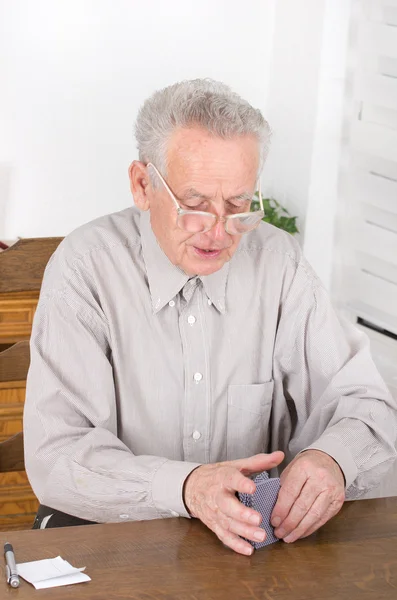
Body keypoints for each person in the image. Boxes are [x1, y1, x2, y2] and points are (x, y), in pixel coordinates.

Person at [24, 79, 397, 555]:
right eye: (196, 206)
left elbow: (366, 403)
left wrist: (332, 459)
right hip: (111, 542)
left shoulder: (278, 263)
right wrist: (187, 487)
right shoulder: (84, 266)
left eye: (238, 205)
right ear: (143, 184)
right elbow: (57, 456)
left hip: (248, 549)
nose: (219, 232)